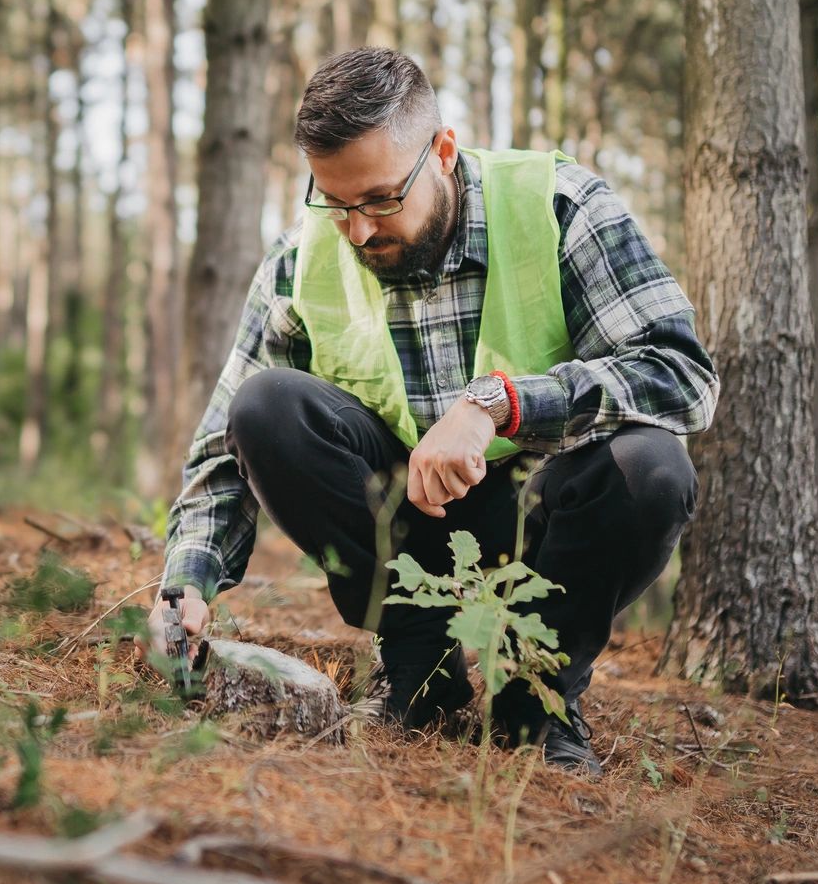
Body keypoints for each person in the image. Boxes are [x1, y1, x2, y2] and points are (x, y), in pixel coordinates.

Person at [150, 48, 720, 778]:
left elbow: (677, 372)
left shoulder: (559, 206)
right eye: (334, 201)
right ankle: (419, 669)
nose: (356, 230)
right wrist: (186, 584)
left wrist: (497, 405)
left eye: (381, 199)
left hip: (543, 523)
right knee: (266, 406)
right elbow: (221, 452)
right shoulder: (297, 262)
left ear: (442, 152)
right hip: (405, 527)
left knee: (650, 467)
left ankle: (533, 700)